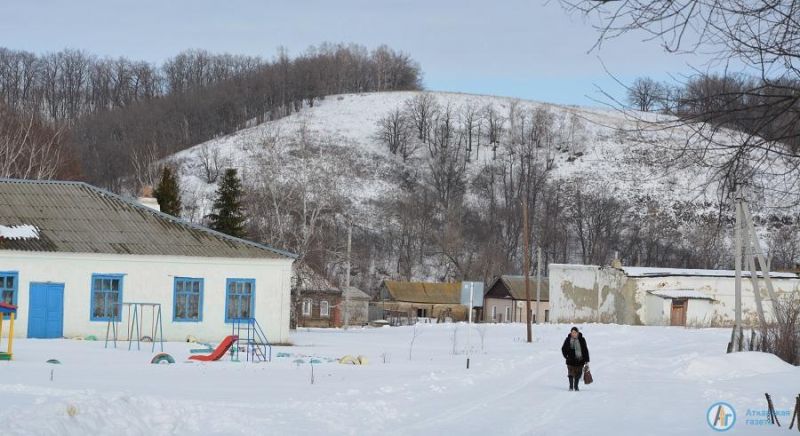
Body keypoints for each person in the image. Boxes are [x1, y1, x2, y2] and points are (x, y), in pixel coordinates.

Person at [561, 326, 590, 391]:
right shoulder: (568, 339)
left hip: (580, 360)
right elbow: (563, 348)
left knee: (578, 374)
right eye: (572, 332)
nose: (573, 334)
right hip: (570, 360)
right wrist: (566, 356)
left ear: (577, 333)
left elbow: (585, 350)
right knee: (570, 373)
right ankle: (571, 386)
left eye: (575, 332)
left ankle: (576, 386)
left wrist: (586, 360)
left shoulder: (582, 339)